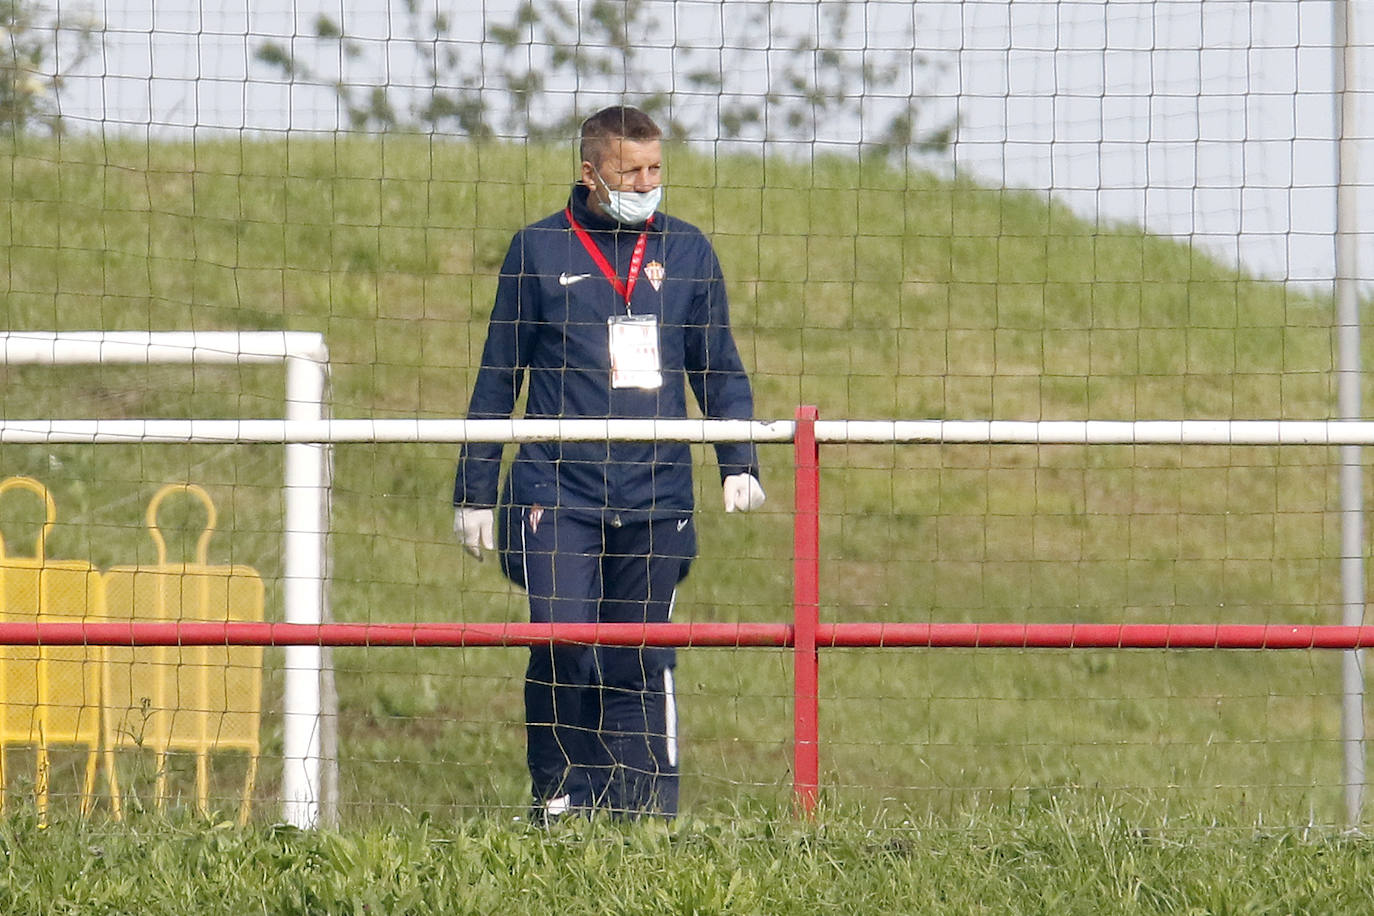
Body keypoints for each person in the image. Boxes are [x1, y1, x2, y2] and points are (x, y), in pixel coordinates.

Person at [452, 105, 765, 821]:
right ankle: (561, 800)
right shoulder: (536, 250)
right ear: (589, 173)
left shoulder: (688, 252)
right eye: (631, 172)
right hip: (555, 490)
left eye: (656, 170)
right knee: (563, 641)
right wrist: (475, 489)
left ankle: (641, 817)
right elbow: (498, 375)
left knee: (637, 656)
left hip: (657, 493)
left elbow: (719, 369)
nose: (647, 184)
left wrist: (736, 458)